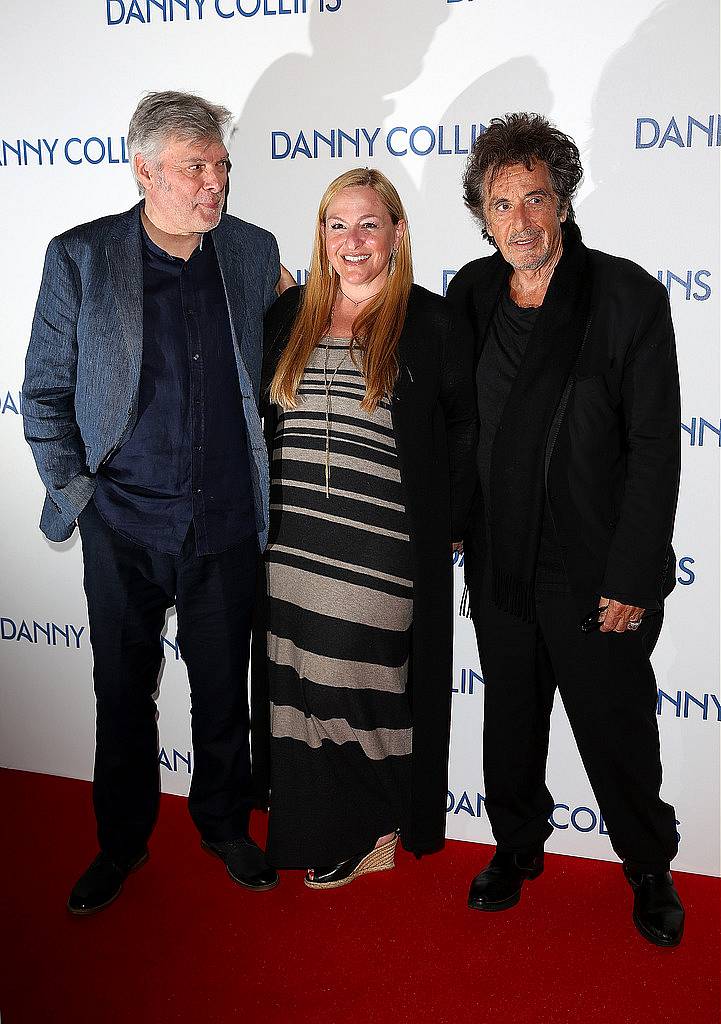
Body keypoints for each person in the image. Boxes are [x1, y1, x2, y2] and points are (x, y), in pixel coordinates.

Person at [22, 90, 283, 914]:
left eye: (221, 167)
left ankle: (223, 824)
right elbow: (43, 393)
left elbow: (281, 370)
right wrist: (79, 494)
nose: (214, 184)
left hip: (225, 520)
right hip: (123, 523)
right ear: (143, 171)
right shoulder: (81, 258)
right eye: (193, 168)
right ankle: (122, 841)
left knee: (222, 690)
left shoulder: (250, 252)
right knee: (121, 692)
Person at [446, 113, 684, 946]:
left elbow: (654, 447)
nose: (518, 220)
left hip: (592, 564)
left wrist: (630, 575)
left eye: (534, 199)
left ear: (563, 202)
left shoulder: (625, 297)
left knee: (615, 726)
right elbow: (458, 424)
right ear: (482, 212)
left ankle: (647, 865)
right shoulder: (470, 293)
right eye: (500, 202)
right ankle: (515, 848)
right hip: (500, 558)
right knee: (508, 718)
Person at [260, 168, 477, 888]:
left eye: (367, 225)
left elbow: (464, 434)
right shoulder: (286, 318)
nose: (351, 241)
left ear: (397, 233)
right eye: (336, 225)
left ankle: (375, 822)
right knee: (299, 691)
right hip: (291, 543)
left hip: (378, 549)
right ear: (321, 237)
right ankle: (320, 829)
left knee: (357, 684)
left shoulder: (432, 322)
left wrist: (449, 525)